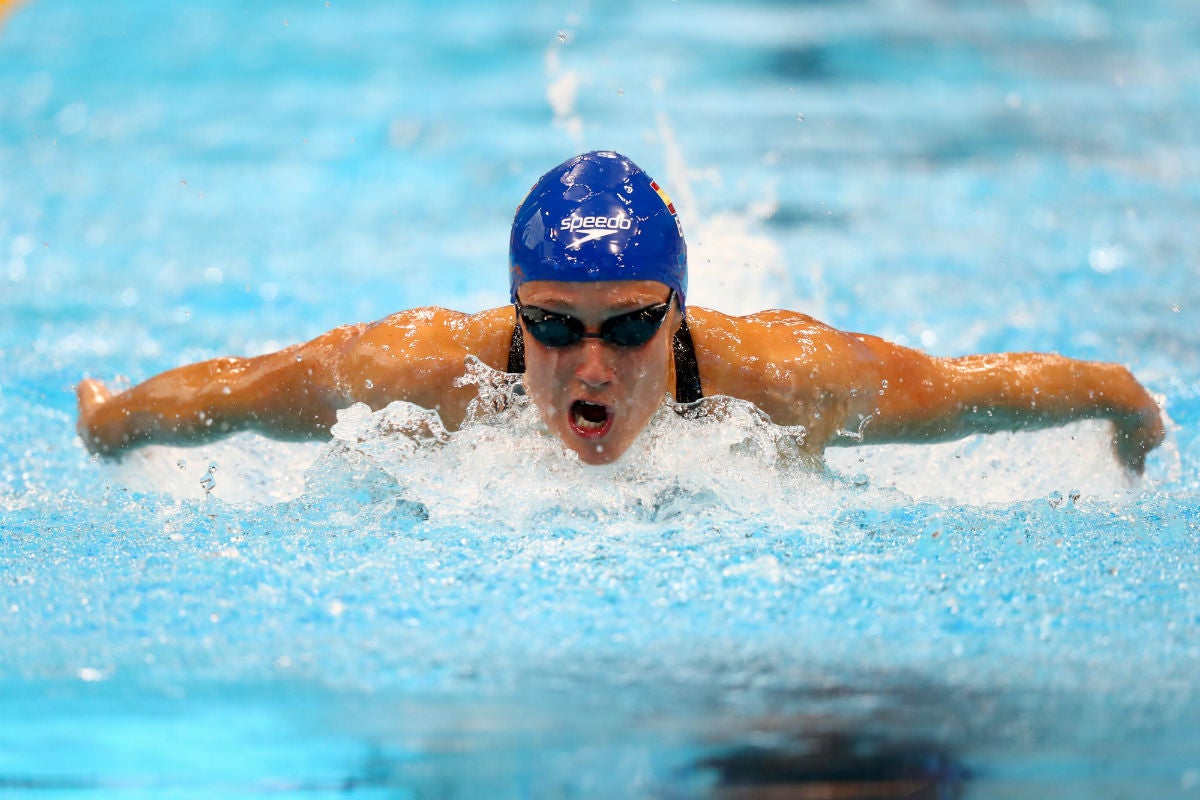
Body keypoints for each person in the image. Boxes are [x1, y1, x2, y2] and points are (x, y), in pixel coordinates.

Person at [76, 151, 1164, 473]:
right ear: (514, 312)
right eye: (551, 325)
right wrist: (112, 420)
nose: (588, 362)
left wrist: (1122, 400)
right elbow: (240, 393)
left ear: (678, 315)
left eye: (629, 325)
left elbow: (969, 390)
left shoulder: (785, 377)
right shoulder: (423, 369)